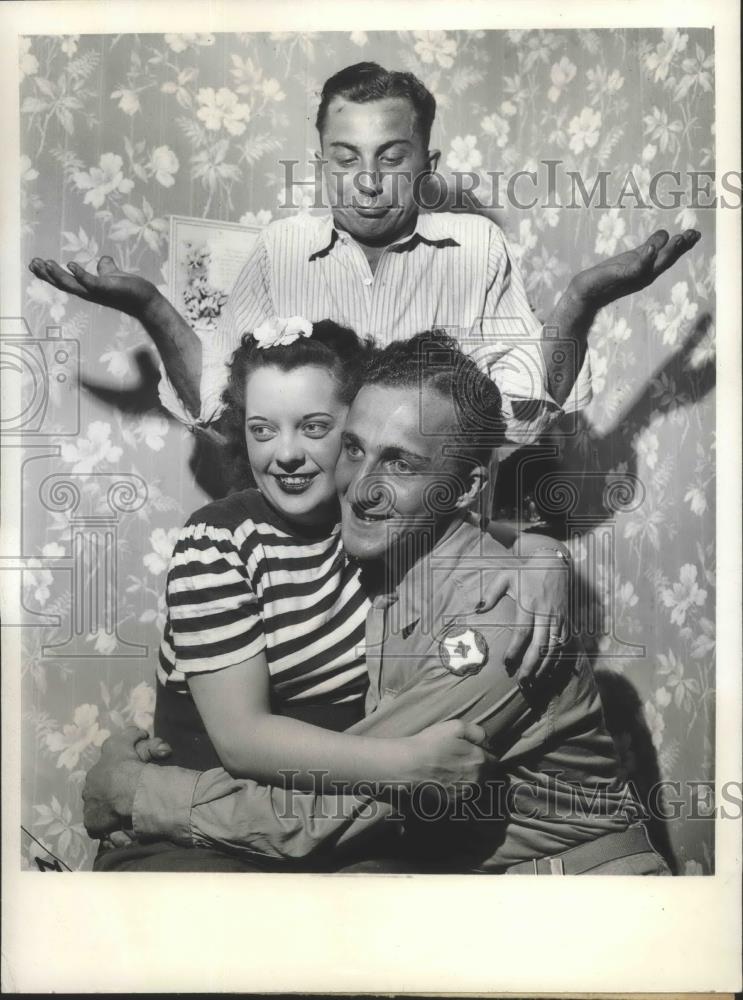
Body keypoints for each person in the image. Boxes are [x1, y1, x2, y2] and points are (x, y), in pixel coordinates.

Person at [84, 331, 669, 875]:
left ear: (466, 488)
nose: (361, 488)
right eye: (355, 449)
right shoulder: (378, 562)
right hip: (475, 898)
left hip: (576, 897)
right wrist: (545, 549)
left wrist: (136, 795)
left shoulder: (498, 614)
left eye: (400, 462)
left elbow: (312, 820)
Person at [28, 62, 700, 453]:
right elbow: (219, 405)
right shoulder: (282, 248)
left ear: (425, 164)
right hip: (302, 537)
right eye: (345, 159)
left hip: (430, 537)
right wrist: (147, 304)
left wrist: (582, 299)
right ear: (322, 163)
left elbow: (520, 417)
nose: (368, 180)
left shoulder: (476, 247)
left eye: (391, 157)